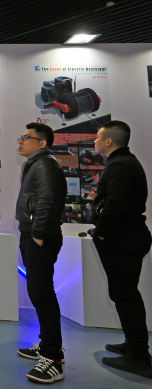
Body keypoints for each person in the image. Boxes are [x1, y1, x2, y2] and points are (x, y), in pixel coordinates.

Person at [90, 121, 152, 377]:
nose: (94, 140)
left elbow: (116, 204)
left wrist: (101, 232)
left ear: (109, 141)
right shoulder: (125, 162)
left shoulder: (119, 166)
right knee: (125, 294)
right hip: (128, 237)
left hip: (123, 240)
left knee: (126, 296)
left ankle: (139, 357)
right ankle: (134, 345)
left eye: (97, 137)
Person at [15, 122, 67, 383]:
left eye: (26, 137)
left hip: (40, 237)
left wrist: (38, 233)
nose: (20, 141)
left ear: (42, 143)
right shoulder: (35, 163)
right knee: (38, 292)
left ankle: (53, 358)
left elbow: (47, 200)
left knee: (42, 294)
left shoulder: (46, 164)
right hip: (32, 234)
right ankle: (48, 344)